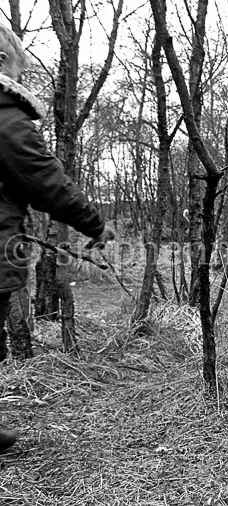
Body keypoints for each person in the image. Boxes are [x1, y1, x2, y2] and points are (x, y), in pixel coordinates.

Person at [0, 24, 114, 453]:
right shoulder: (6, 121)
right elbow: (48, 183)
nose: (21, 80)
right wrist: (96, 225)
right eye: (17, 68)